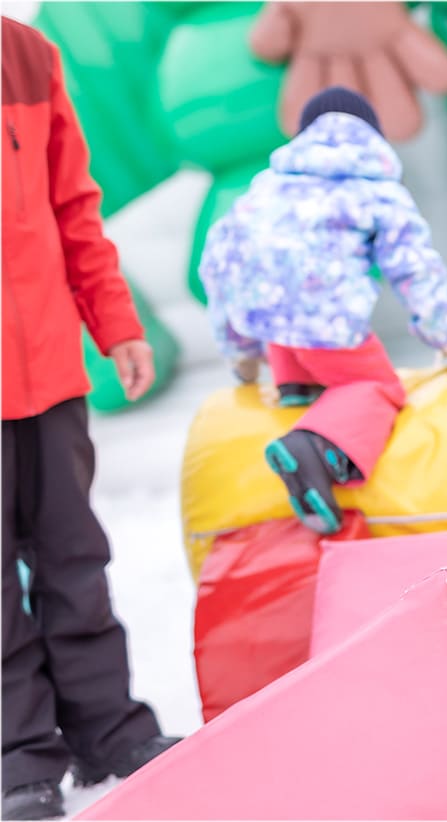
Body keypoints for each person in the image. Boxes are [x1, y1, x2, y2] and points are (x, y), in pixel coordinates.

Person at [1, 16, 180, 820]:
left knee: (77, 557)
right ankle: (20, 758)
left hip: (47, 374)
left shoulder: (28, 55)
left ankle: (109, 730)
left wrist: (118, 324)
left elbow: (75, 205)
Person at [198, 86, 447, 535]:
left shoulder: (268, 187)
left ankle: (299, 390)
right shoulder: (373, 186)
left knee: (295, 329)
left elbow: (219, 261)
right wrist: (444, 336)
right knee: (377, 386)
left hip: (273, 332)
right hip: (325, 327)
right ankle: (314, 446)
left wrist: (240, 351)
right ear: (372, 136)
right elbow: (415, 268)